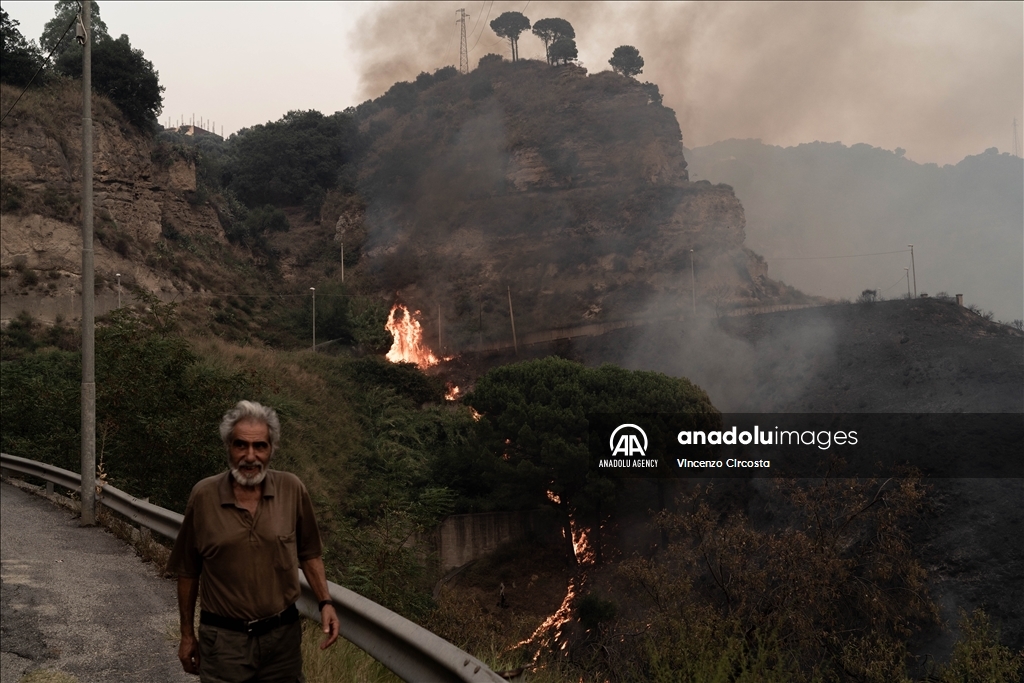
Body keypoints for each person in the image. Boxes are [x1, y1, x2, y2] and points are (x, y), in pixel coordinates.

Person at [169, 400, 340, 681]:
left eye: (260, 446)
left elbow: (309, 553)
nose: (251, 456)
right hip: (223, 644)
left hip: (282, 642)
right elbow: (187, 570)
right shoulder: (203, 496)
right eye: (241, 445)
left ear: (271, 449)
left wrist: (325, 602)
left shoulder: (292, 489)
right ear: (228, 447)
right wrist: (186, 634)